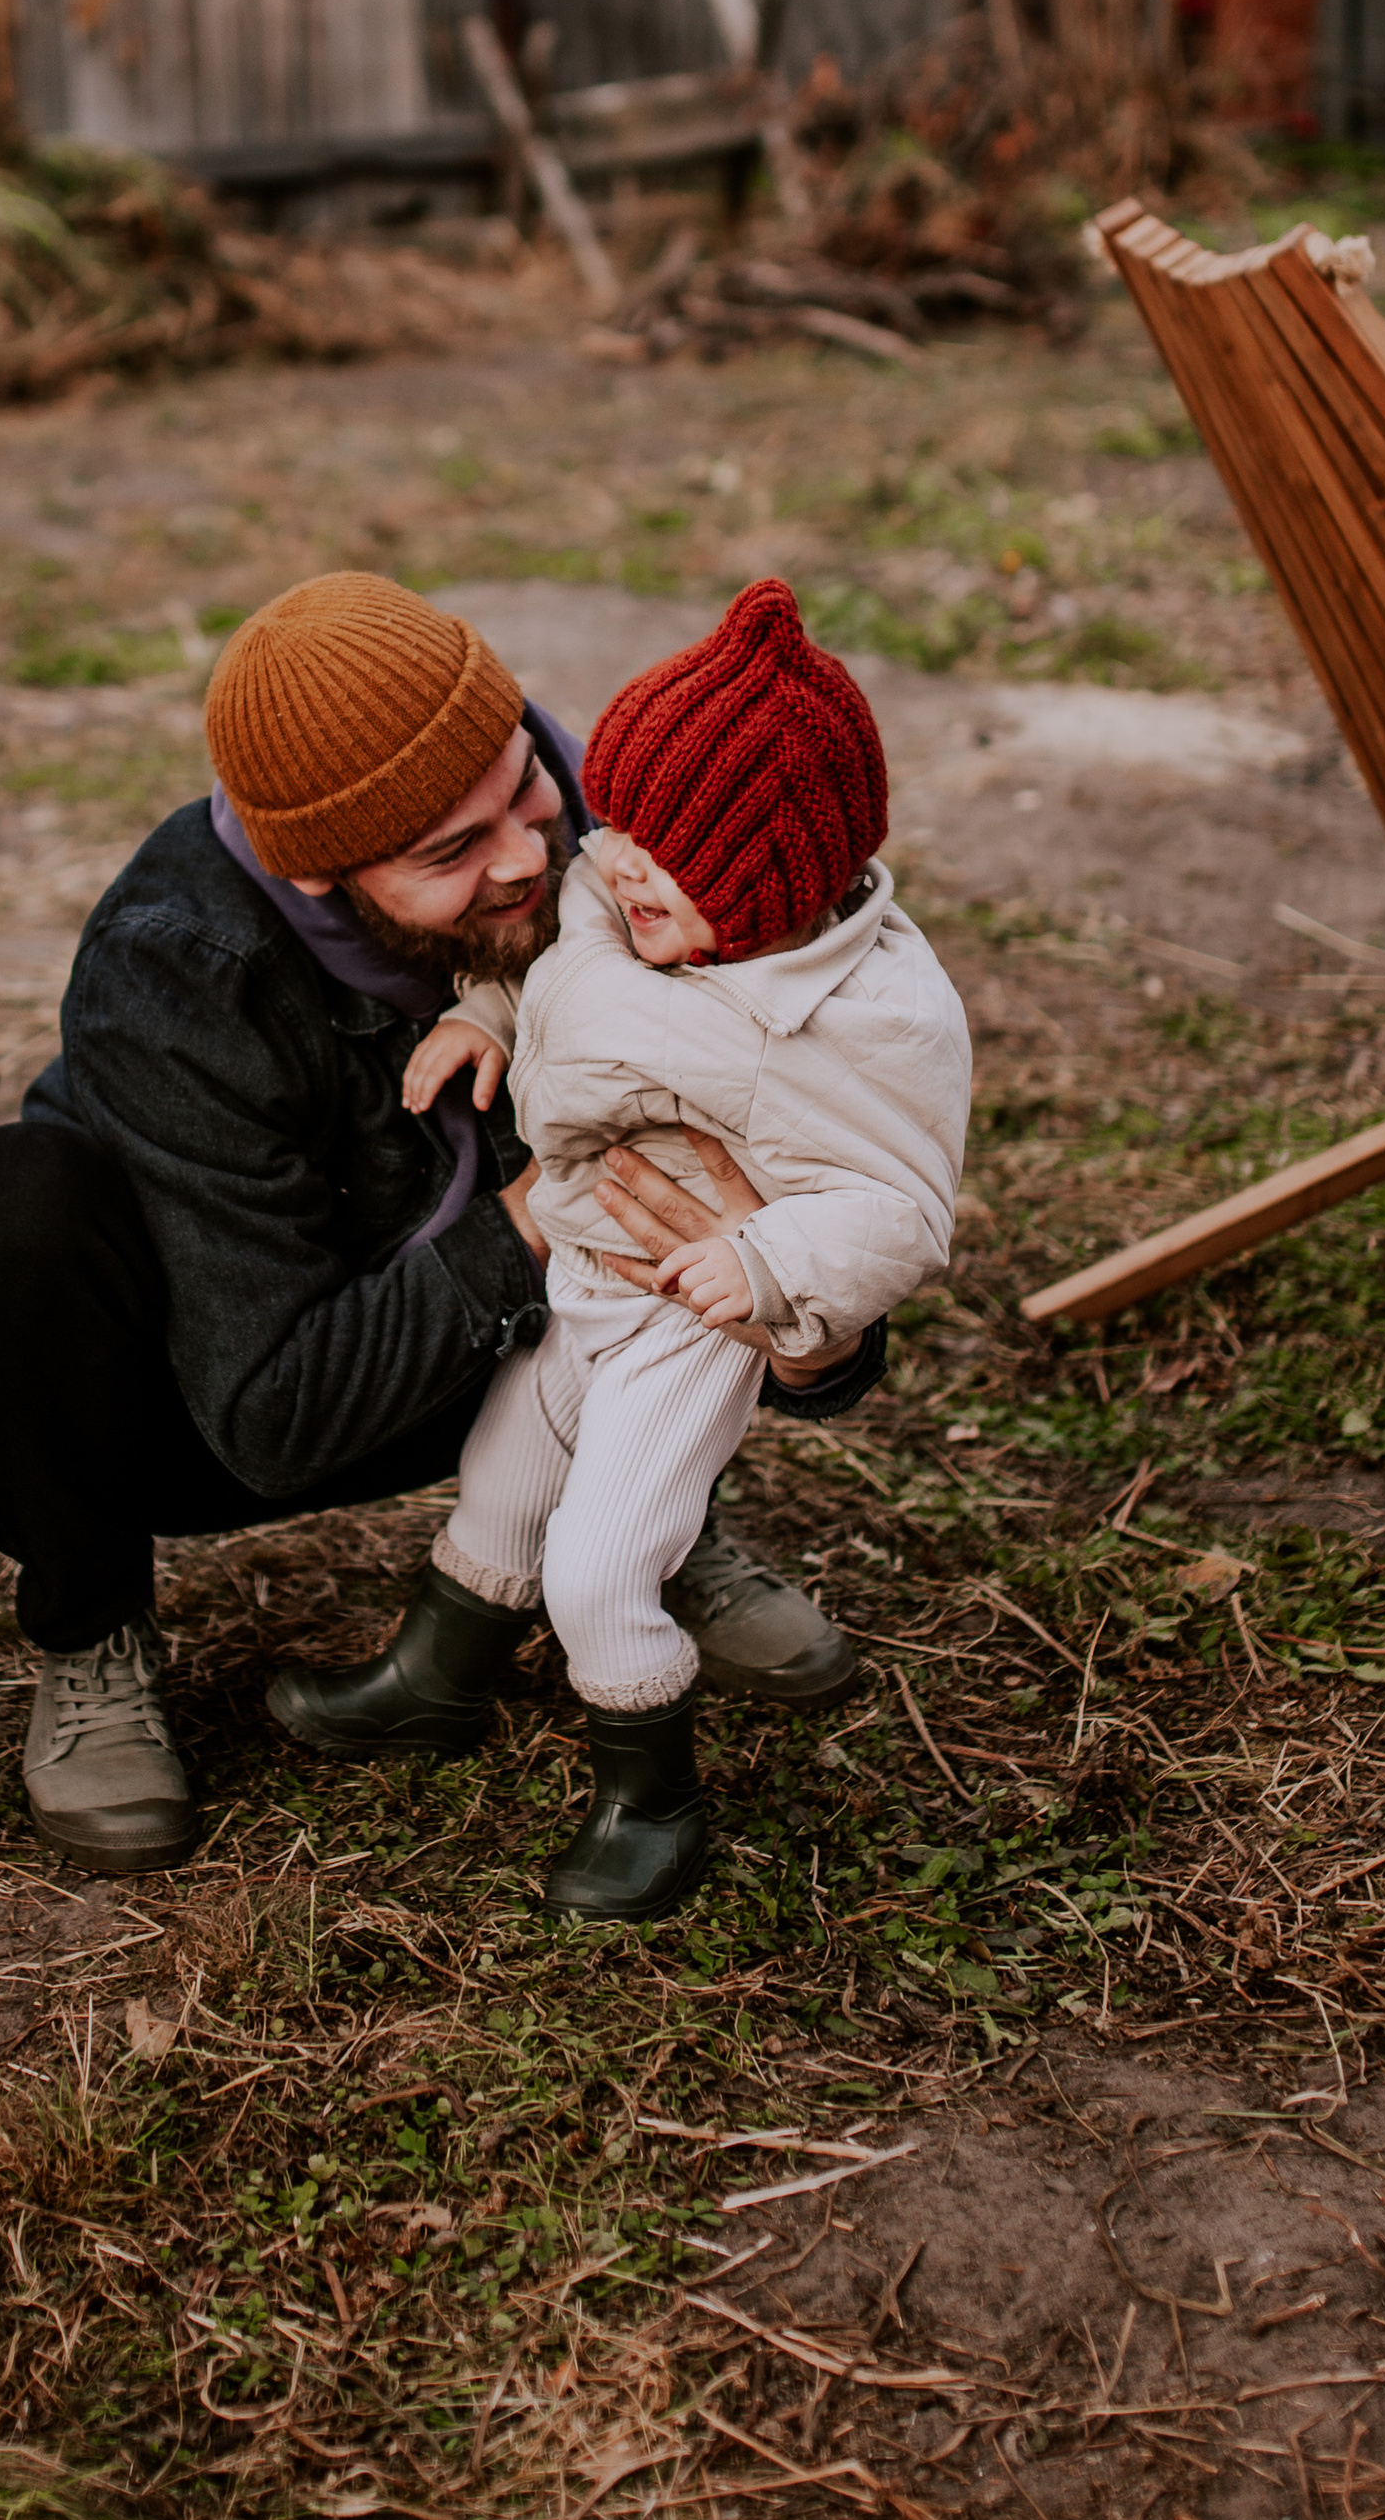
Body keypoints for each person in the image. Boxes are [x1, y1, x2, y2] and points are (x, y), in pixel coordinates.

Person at [0, 573, 885, 1877]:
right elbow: (273, 1423)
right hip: (240, 1383)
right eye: (449, 852)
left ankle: (650, 1514)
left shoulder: (617, 818)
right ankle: (90, 1637)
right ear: (317, 866)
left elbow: (816, 1117)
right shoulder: (177, 965)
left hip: (537, 1333)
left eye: (521, 783)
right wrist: (536, 1209)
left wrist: (809, 1325)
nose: (529, 857)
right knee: (9, 1211)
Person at [270, 581, 969, 1921]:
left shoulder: (862, 1024)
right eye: (623, 833)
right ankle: (434, 1682)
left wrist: (768, 1271)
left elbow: (901, 1208)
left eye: (663, 863)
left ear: (764, 896)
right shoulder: (636, 885)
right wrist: (487, 1012)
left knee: (598, 1563)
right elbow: (561, 961)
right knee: (499, 1477)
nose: (610, 866)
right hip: (579, 1279)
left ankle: (651, 1794)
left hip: (686, 1317)